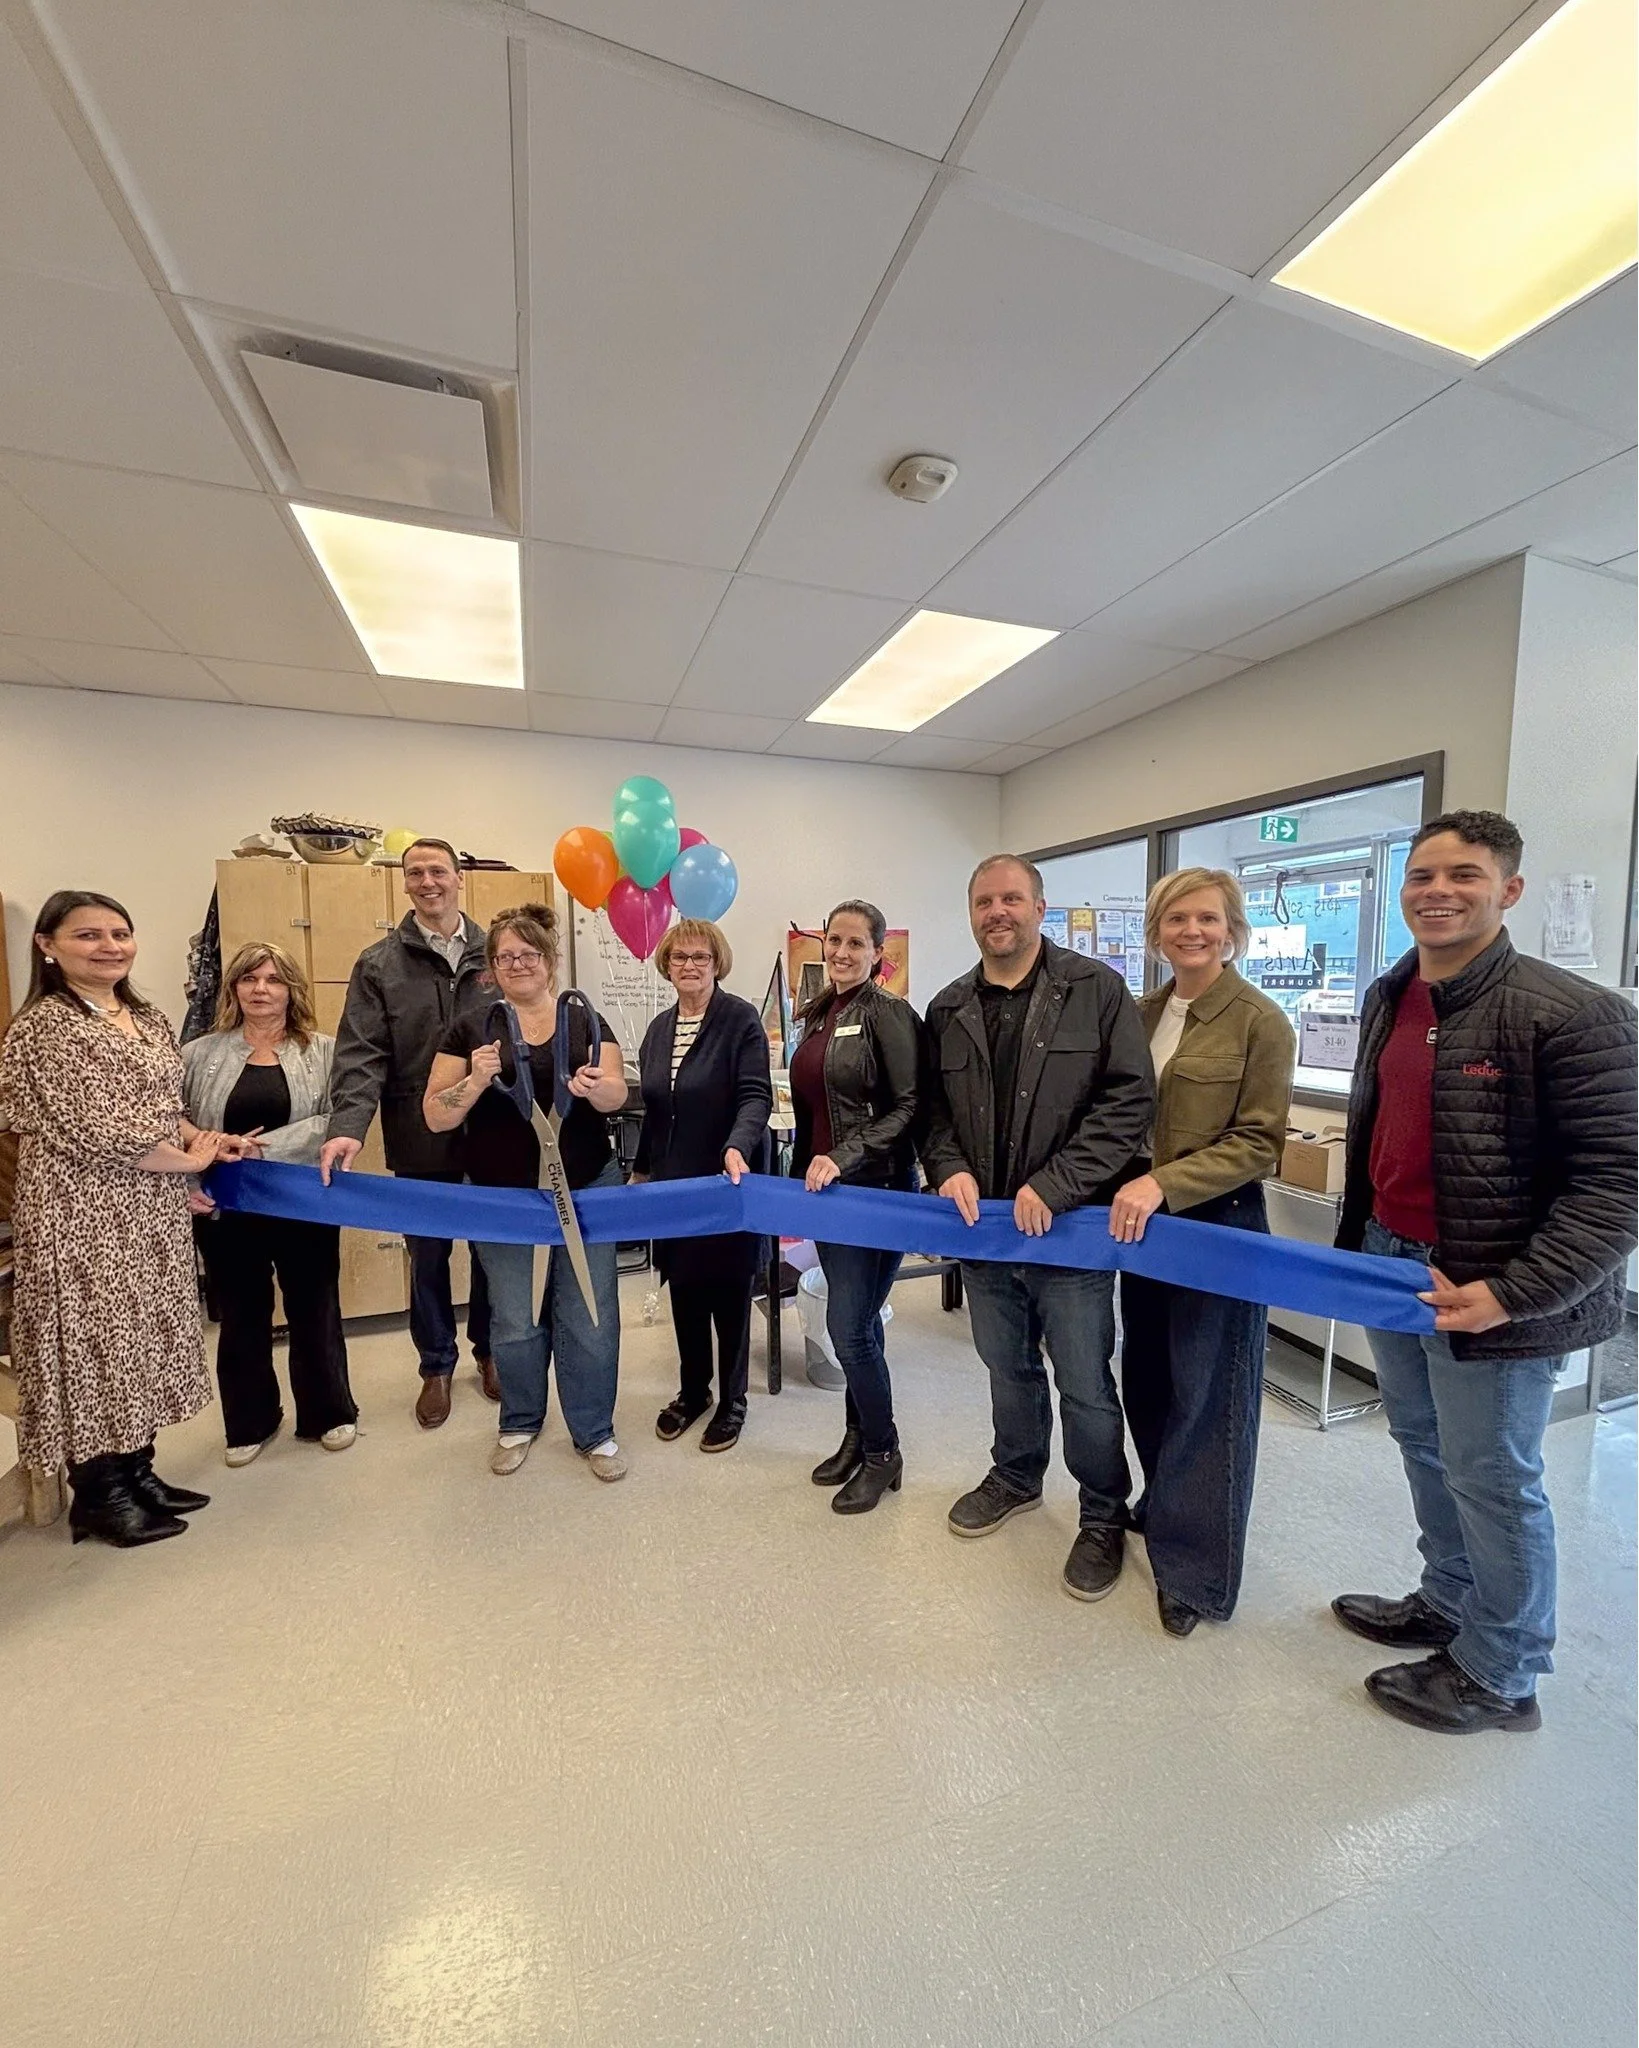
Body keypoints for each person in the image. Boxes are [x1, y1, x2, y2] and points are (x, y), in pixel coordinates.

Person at [1331, 809, 1636, 1734]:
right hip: (1393, 1261)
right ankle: (1449, 1600)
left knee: (1494, 1473)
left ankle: (1503, 1672)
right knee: (1425, 1447)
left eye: (1463, 875)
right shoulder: (1394, 996)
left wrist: (1513, 1292)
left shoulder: (1573, 1013)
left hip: (1496, 1288)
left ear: (1507, 890)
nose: (1437, 891)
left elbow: (1616, 1184)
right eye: (1422, 876)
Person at [922, 854, 1153, 1599]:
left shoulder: (1097, 991)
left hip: (1072, 1232)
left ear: (1039, 907)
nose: (999, 911)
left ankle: (1100, 1513)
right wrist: (945, 1166)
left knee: (1083, 1380)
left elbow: (1126, 1105)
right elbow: (933, 1116)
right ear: (971, 913)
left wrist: (1055, 1185)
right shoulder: (948, 1006)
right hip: (985, 1233)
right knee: (1006, 1366)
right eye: (985, 900)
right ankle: (1016, 1475)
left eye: (1012, 898)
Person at [0, 891, 253, 1546]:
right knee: (95, 1341)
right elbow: (98, 1131)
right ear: (47, 945)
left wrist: (206, 1141)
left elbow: (165, 1109)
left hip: (149, 1205)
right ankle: (100, 1493)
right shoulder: (44, 1028)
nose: (110, 946)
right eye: (89, 935)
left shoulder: (142, 1014)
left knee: (140, 1335)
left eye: (120, 933)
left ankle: (137, 1468)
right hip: (79, 1208)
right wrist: (188, 1161)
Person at [1107, 869, 1295, 1637]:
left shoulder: (1260, 1021)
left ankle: (1197, 1577)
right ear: (1156, 932)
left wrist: (1161, 1183)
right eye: (1175, 918)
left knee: (1209, 1404)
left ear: (1232, 929)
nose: (1191, 931)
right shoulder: (1140, 1012)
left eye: (1207, 919)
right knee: (1148, 1382)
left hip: (1215, 1228)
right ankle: (1159, 1504)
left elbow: (1258, 1143)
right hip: (1142, 1232)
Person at [423, 904, 629, 1479]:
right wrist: (475, 1080)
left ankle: (594, 1431)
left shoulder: (585, 1022)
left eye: (528, 955)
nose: (517, 964)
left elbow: (616, 1095)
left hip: (587, 1189)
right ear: (491, 966)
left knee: (591, 1312)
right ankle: (519, 1421)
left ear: (550, 961)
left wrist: (595, 1087)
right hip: (505, 1198)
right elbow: (436, 1117)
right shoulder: (470, 1028)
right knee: (515, 1316)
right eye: (505, 956)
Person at [319, 837, 494, 1427]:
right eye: (415, 872)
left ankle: (491, 1353)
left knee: (496, 1249)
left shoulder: (500, 953)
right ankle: (436, 1366)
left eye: (438, 870)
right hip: (419, 1131)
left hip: (495, 1130)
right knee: (428, 1257)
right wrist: (348, 1127)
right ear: (404, 883)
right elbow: (360, 1054)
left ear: (458, 878)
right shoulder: (378, 963)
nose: (428, 881)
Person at [182, 942, 358, 1465]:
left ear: (291, 990)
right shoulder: (198, 1053)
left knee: (315, 1305)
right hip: (227, 1205)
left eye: (274, 980)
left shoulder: (324, 1051)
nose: (261, 989)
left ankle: (330, 1412)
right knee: (240, 1312)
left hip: (302, 1199)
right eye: (250, 979)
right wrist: (209, 1146)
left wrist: (260, 1148)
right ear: (234, 987)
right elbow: (172, 1118)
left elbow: (339, 1117)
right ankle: (250, 1420)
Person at [791, 900, 923, 1514]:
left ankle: (883, 1453)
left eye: (855, 943)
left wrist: (845, 1155)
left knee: (849, 1326)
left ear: (877, 954)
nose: (841, 952)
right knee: (858, 1325)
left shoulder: (890, 1014)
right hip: (828, 1195)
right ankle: (858, 1438)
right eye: (833, 941)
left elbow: (909, 1107)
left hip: (876, 1192)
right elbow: (814, 1107)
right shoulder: (821, 1011)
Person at [632, 920, 771, 1453]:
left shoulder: (740, 1020)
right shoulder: (659, 1028)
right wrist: (642, 1170)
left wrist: (737, 1146)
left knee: (729, 1295)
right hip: (672, 1189)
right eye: (680, 957)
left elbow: (755, 1094)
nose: (689, 965)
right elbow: (656, 1110)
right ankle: (694, 1393)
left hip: (725, 1181)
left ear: (718, 963)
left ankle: (734, 1401)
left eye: (701, 957)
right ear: (667, 964)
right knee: (686, 1293)